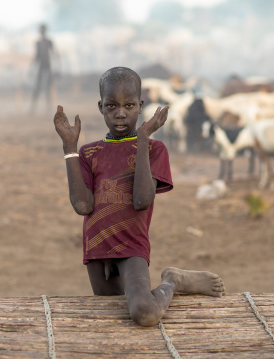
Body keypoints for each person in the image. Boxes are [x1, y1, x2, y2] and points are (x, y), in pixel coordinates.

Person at [53, 66, 225, 327]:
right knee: (111, 320)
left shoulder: (155, 149)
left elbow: (142, 200)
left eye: (129, 105)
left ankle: (173, 281)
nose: (120, 113)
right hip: (97, 248)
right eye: (111, 106)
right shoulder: (88, 153)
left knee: (144, 312)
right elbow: (83, 205)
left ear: (141, 105)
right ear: (100, 107)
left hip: (131, 246)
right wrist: (69, 148)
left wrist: (143, 138)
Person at [30, 24, 54, 115]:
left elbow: (53, 55)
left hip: (48, 67)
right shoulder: (38, 43)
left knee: (47, 89)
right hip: (41, 67)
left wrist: (56, 68)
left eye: (43, 30)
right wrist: (32, 68)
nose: (42, 32)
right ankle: (33, 108)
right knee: (37, 88)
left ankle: (48, 109)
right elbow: (37, 56)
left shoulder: (49, 42)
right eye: (41, 30)